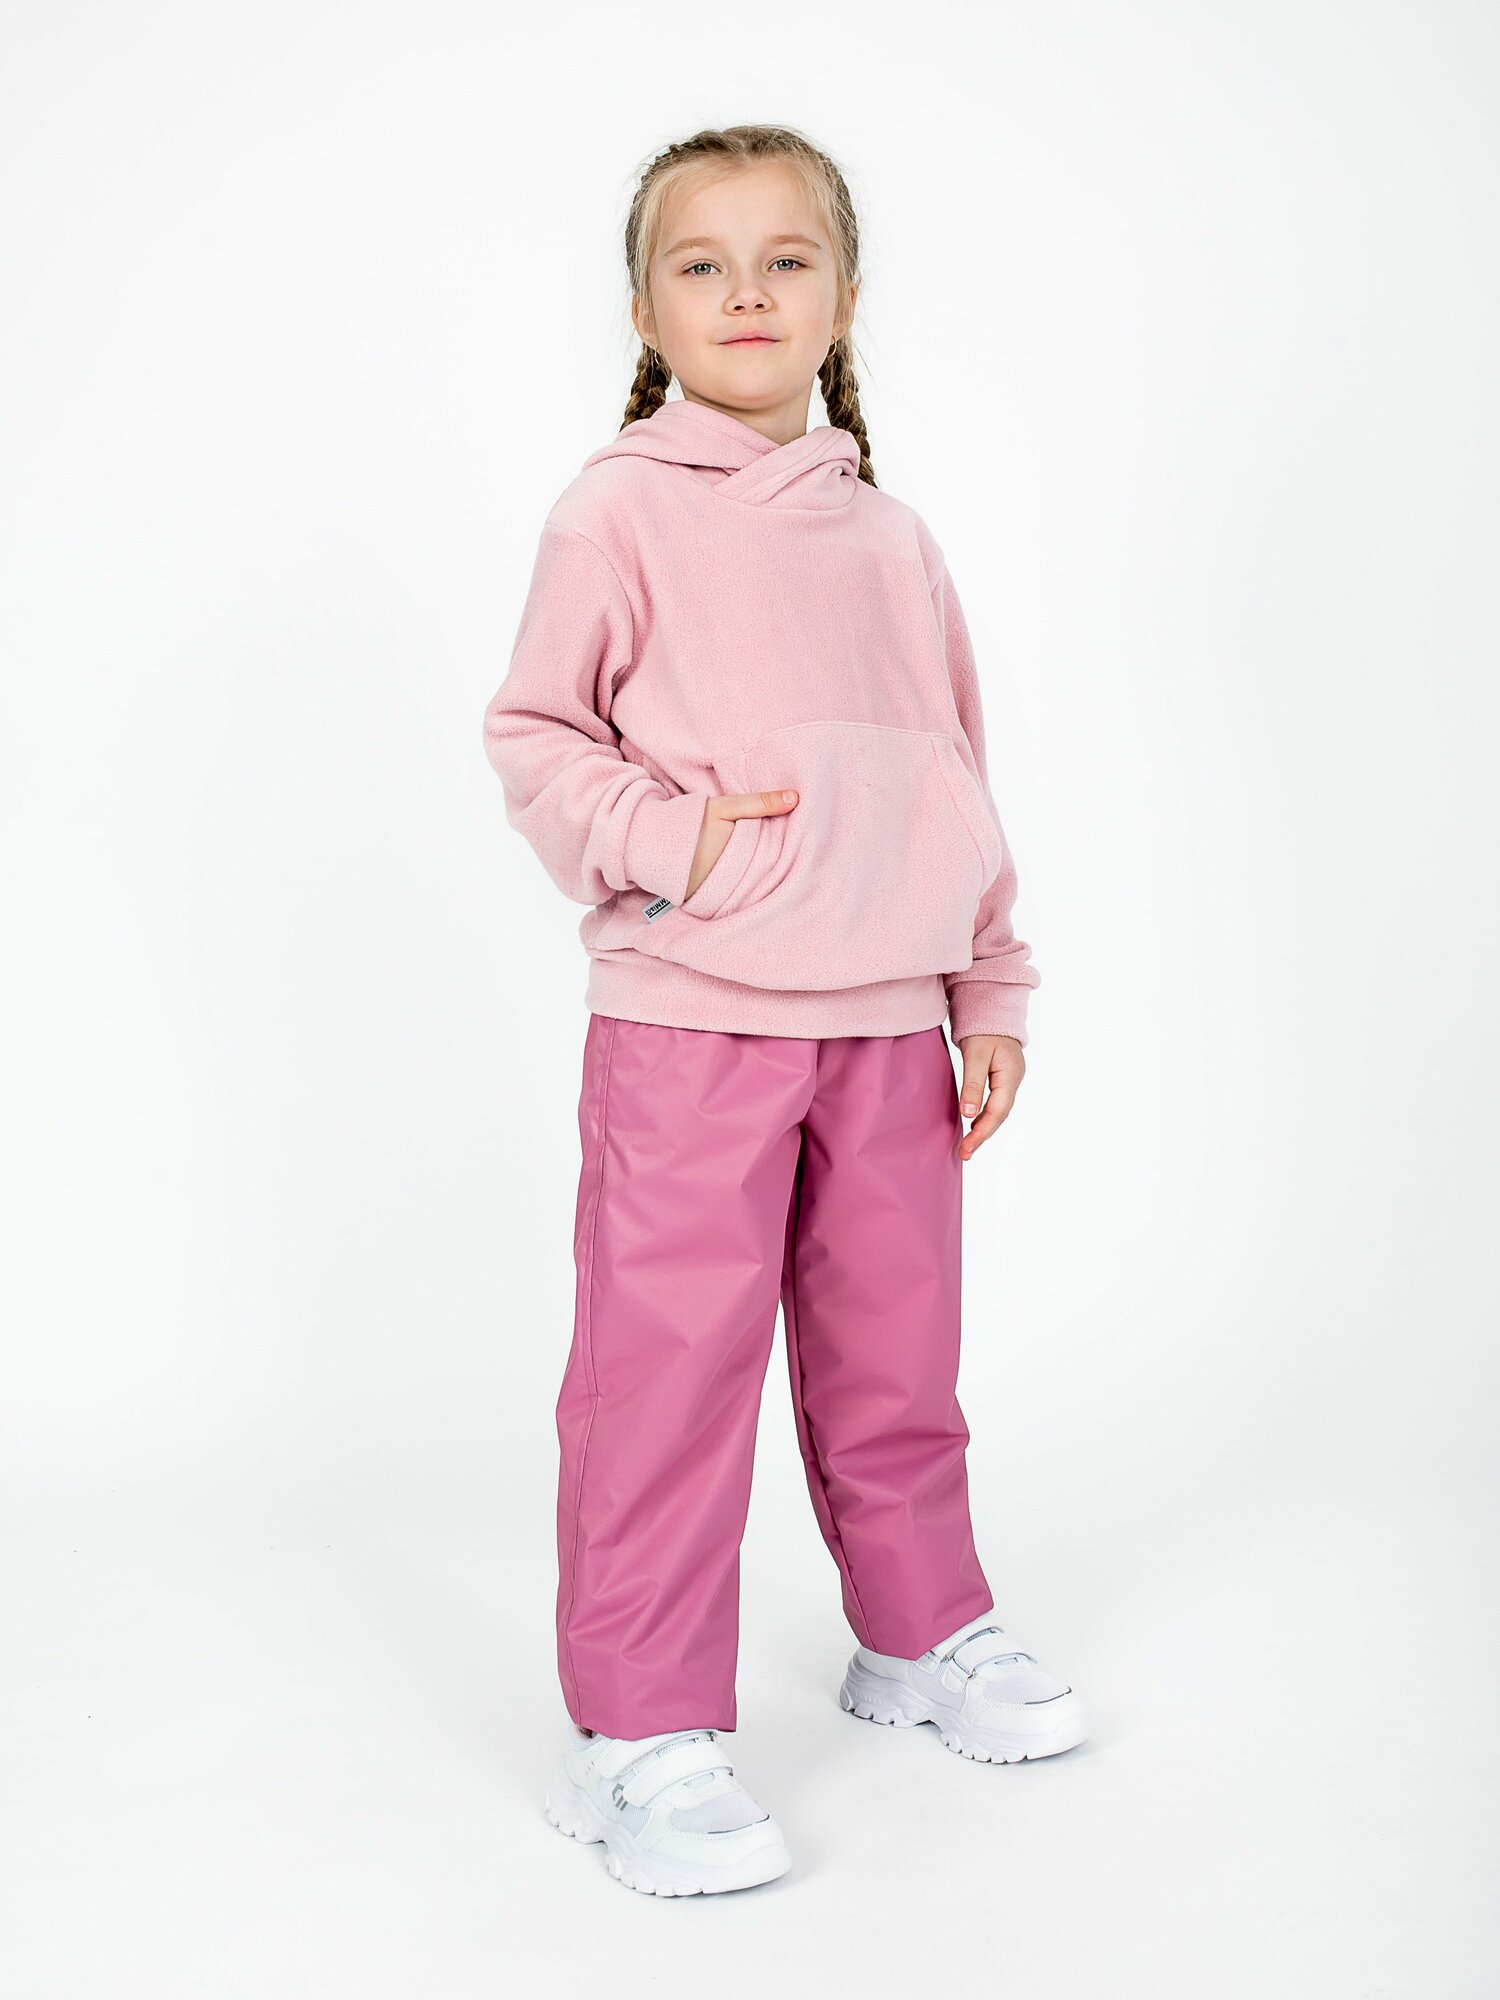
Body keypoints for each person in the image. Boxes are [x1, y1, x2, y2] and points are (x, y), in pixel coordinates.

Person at [481, 122, 1090, 1898]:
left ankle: (918, 1631)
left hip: (887, 1024)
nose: (746, 292)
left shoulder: (893, 538)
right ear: (647, 309)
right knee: (666, 1383)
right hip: (694, 1018)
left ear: (842, 297)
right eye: (702, 263)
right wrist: (671, 843)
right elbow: (535, 735)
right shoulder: (614, 510)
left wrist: (986, 980)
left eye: (785, 259)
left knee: (896, 1359)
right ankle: (634, 1737)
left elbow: (952, 768)